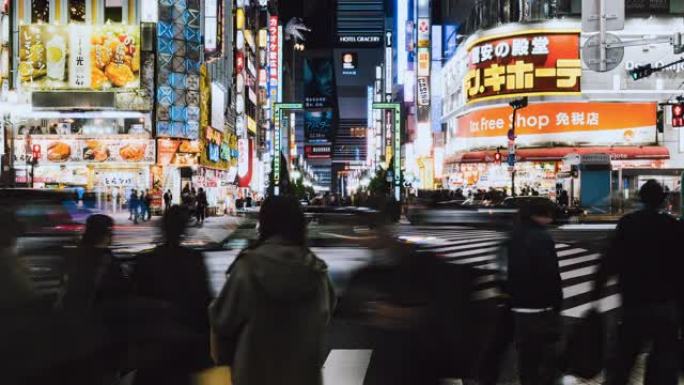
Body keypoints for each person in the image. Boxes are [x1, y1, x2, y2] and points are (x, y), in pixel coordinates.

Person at [209, 196, 336, 385]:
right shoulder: (316, 271)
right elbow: (324, 316)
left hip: (255, 375)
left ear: (264, 223)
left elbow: (222, 320)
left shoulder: (248, 268)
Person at [593, 180, 682, 385]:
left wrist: (596, 293)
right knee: (664, 361)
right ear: (662, 201)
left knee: (623, 359)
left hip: (634, 303)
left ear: (641, 199)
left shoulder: (628, 224)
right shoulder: (673, 226)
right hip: (665, 305)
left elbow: (610, 260)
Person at [132, 206, 213, 385]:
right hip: (185, 344)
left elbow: (134, 303)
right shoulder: (194, 260)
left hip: (152, 345)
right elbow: (204, 303)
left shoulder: (145, 261)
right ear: (184, 230)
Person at [499, 200, 563, 385]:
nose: (551, 219)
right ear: (540, 215)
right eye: (549, 215)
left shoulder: (513, 236)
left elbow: (504, 272)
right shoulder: (541, 237)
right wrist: (556, 303)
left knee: (526, 357)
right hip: (541, 307)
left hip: (519, 307)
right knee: (546, 356)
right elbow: (550, 274)